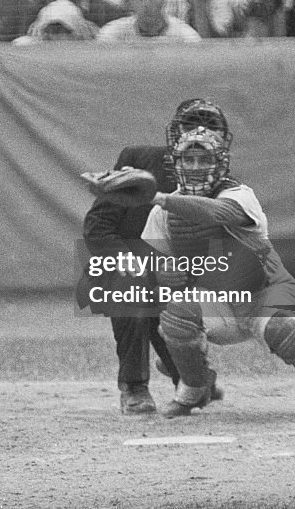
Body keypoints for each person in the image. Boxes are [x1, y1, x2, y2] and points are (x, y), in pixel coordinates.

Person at [139, 99, 295, 418]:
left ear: (221, 163)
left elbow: (217, 213)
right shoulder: (162, 213)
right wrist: (161, 273)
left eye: (205, 159)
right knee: (175, 316)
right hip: (214, 302)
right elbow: (151, 268)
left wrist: (161, 197)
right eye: (190, 159)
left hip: (260, 296)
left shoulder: (239, 195)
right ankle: (195, 388)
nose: (197, 166)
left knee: (286, 331)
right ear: (177, 164)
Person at [81, 140, 182, 414]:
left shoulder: (221, 183)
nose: (198, 135)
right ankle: (135, 386)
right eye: (189, 127)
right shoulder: (143, 161)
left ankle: (188, 373)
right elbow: (97, 228)